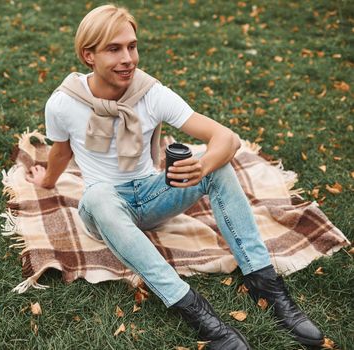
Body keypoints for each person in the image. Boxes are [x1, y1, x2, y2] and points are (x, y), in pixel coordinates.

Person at [26, 5, 324, 349]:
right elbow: (61, 152)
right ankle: (196, 311)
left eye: (132, 46)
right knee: (97, 197)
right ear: (88, 55)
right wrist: (46, 181)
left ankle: (266, 285)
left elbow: (226, 138)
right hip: (105, 209)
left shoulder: (150, 93)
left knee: (218, 165)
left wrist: (204, 165)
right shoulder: (63, 103)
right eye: (114, 49)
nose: (128, 58)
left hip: (152, 198)